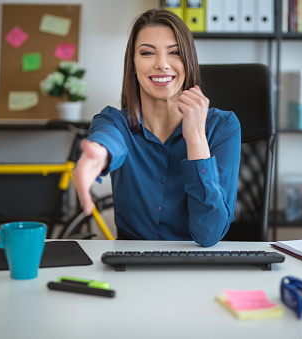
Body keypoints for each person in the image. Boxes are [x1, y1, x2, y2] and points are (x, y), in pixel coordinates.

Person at [72, 8, 241, 247]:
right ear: (132, 64)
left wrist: (195, 138)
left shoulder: (223, 126)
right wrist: (98, 156)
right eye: (147, 53)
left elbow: (209, 235)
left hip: (197, 263)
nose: (162, 64)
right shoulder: (113, 122)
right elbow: (108, 142)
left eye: (174, 53)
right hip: (131, 265)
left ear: (188, 61)